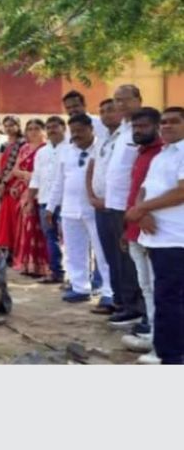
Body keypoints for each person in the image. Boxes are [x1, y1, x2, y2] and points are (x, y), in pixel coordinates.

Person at [126, 107, 184, 365]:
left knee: (169, 297)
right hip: (155, 237)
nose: (167, 126)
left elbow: (182, 192)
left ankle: (172, 356)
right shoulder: (162, 155)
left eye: (174, 122)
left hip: (176, 237)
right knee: (160, 294)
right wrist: (141, 211)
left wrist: (144, 208)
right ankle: (164, 347)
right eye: (164, 122)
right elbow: (144, 189)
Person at [47, 114, 112, 303]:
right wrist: (51, 207)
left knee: (102, 252)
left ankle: (109, 292)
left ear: (91, 129)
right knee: (74, 251)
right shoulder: (66, 151)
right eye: (73, 131)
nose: (76, 135)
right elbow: (58, 181)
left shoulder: (102, 148)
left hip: (94, 209)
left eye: (80, 130)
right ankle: (80, 287)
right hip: (69, 209)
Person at [97, 85, 146, 328]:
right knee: (117, 257)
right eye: (117, 100)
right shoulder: (122, 130)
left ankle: (136, 309)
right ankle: (125, 304)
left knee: (131, 259)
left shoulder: (144, 128)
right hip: (112, 204)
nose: (120, 105)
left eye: (125, 100)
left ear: (138, 99)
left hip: (131, 205)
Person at [119, 107, 163, 363]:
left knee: (160, 289)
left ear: (155, 127)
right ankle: (154, 334)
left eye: (143, 126)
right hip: (136, 227)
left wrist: (144, 214)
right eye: (135, 127)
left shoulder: (164, 153)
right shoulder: (143, 153)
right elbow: (138, 191)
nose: (138, 131)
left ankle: (164, 342)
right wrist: (128, 228)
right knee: (146, 287)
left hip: (156, 230)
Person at [85, 98, 124, 307]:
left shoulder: (127, 137)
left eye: (110, 110)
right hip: (100, 207)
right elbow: (92, 167)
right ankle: (118, 301)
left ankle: (127, 304)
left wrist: (107, 200)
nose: (106, 114)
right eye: (102, 111)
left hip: (118, 207)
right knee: (110, 256)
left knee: (123, 258)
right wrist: (91, 196)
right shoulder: (102, 138)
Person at [28, 116, 67, 284]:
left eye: (55, 127)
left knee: (73, 240)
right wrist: (30, 201)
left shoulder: (71, 148)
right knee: (50, 237)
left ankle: (79, 279)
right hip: (44, 200)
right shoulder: (42, 152)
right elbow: (35, 178)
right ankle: (56, 272)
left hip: (67, 201)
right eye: (49, 127)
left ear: (63, 128)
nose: (51, 130)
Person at [11, 119, 49, 277]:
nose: (33, 132)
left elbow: (46, 173)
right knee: (26, 226)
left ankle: (42, 265)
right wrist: (26, 175)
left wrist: (32, 176)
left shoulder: (46, 148)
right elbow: (15, 170)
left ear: (43, 131)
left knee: (38, 228)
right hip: (24, 191)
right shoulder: (24, 148)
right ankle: (28, 264)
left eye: (37, 128)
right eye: (30, 129)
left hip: (40, 190)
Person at [0, 115, 26, 255]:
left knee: (14, 216)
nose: (8, 128)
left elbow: (18, 165)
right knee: (4, 217)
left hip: (15, 184)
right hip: (3, 184)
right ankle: (6, 247)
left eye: (12, 125)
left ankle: (16, 250)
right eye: (6, 125)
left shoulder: (22, 143)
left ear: (18, 126)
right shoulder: (4, 145)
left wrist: (5, 182)